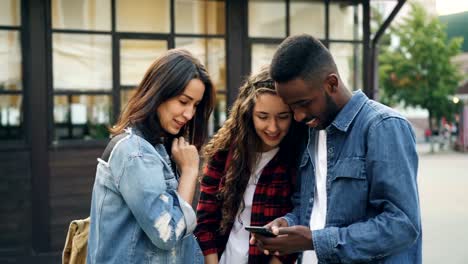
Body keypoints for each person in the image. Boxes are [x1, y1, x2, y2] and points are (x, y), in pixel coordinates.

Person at [250, 34, 422, 263]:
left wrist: (314, 240)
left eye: (304, 103)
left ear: (331, 83)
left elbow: (403, 224)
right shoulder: (312, 130)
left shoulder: (382, 126)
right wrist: (287, 224)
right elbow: (311, 208)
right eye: (292, 107)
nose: (299, 116)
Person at [87, 49, 215, 264]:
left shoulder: (161, 147)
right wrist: (190, 172)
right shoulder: (134, 152)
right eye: (183, 101)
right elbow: (168, 234)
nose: (189, 114)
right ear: (159, 93)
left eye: (196, 105)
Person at [195, 66, 307, 264]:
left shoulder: (299, 158)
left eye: (283, 117)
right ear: (248, 114)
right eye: (263, 117)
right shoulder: (223, 153)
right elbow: (205, 221)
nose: (273, 127)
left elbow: (297, 223)